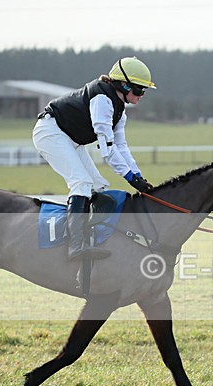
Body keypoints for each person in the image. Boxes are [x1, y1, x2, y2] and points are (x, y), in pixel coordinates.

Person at [33, 56, 156, 260]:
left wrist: (138, 176)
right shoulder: (102, 100)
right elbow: (107, 149)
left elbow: (121, 147)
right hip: (50, 133)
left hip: (70, 138)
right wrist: (130, 178)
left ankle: (93, 237)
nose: (142, 95)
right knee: (81, 182)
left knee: (100, 187)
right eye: (139, 89)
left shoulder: (119, 110)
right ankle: (75, 245)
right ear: (125, 86)